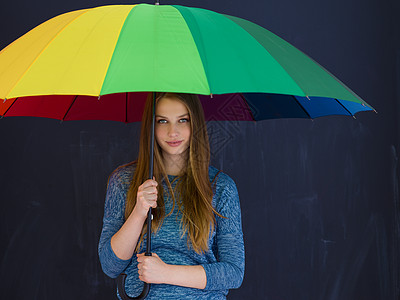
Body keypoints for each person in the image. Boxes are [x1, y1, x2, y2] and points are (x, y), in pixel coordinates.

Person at [98, 92, 245, 299]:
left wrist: (166, 272)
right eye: (162, 121)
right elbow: (110, 266)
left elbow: (234, 273)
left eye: (182, 120)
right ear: (151, 126)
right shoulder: (123, 181)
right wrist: (139, 212)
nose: (172, 132)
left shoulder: (221, 187)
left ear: (195, 124)